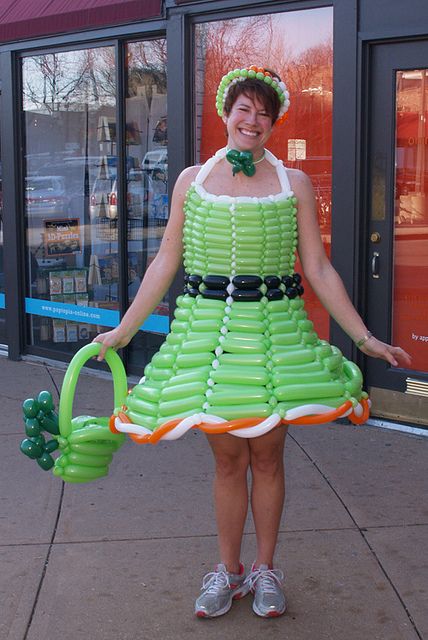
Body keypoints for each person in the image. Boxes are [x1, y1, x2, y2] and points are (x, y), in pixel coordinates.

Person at [93, 65, 411, 619]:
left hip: (275, 334)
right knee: (226, 459)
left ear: (273, 123)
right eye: (244, 109)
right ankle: (228, 570)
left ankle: (265, 569)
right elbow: (167, 259)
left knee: (267, 455)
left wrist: (365, 337)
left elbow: (316, 266)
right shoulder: (192, 180)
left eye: (264, 113)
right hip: (207, 339)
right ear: (225, 113)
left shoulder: (296, 184)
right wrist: (124, 330)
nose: (253, 120)